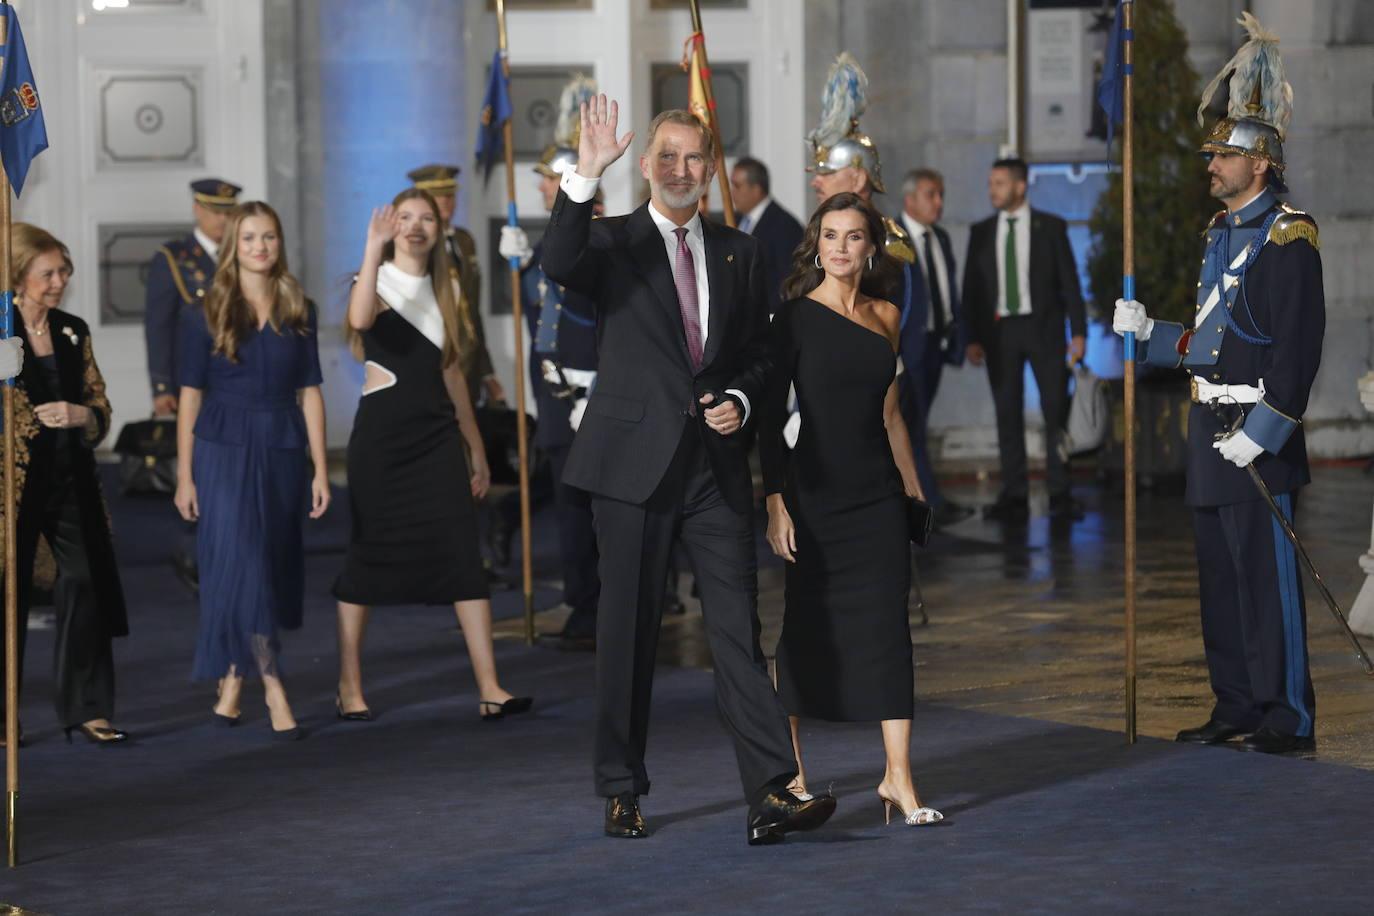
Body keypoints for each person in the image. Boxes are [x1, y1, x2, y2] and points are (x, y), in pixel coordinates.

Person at [541, 94, 837, 845]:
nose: (680, 169)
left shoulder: (740, 251)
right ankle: (620, 787)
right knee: (628, 633)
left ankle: (772, 791)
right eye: (666, 156)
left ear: (712, 171)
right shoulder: (611, 242)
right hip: (630, 468)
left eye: (693, 158)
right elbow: (559, 262)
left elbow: (762, 353)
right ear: (646, 166)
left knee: (737, 631)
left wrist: (739, 394)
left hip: (714, 472)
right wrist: (584, 174)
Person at [1112, 13, 1322, 754]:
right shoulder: (1219, 232)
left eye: (1223, 156)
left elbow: (1294, 355)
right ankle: (1234, 701)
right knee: (1220, 583)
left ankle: (1287, 715)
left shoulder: (1289, 237)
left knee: (1269, 587)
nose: (1211, 165)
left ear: (1259, 163)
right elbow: (1213, 340)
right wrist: (1152, 335)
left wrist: (1263, 434)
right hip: (1209, 432)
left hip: (1256, 437)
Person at [761, 193, 943, 827]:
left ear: (871, 247)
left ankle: (899, 779)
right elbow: (764, 422)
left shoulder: (888, 315)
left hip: (877, 496)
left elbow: (893, 416)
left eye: (854, 236)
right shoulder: (791, 320)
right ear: (818, 244)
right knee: (804, 630)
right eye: (831, 235)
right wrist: (775, 501)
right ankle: (793, 778)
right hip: (814, 493)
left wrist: (914, 492)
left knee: (889, 633)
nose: (841, 247)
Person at [333, 188, 530, 723]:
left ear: (440, 229)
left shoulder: (448, 288)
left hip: (438, 440)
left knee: (464, 554)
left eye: (426, 218)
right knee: (367, 555)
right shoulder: (371, 281)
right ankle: (349, 684)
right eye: (405, 217)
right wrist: (372, 249)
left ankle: (490, 686)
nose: (416, 226)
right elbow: (360, 321)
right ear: (390, 225)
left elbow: (450, 372)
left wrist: (476, 447)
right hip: (383, 443)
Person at [175, 202, 329, 741]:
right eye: (249, 238)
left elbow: (311, 392)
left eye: (268, 237)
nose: (260, 247)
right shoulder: (206, 310)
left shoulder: (298, 307)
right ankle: (272, 683)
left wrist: (320, 468)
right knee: (244, 563)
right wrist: (185, 476)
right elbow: (189, 398)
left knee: (268, 561)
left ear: (279, 243)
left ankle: (235, 676)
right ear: (232, 247)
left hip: (282, 445)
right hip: (222, 447)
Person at [806, 54, 970, 526]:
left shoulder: (886, 244)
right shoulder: (819, 235)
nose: (815, 180)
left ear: (856, 178)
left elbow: (898, 317)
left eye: (826, 171)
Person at [0, 224, 129, 746]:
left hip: (71, 479)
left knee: (85, 582)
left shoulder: (73, 330)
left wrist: (82, 414)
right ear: (17, 275)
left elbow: (100, 405)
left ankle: (88, 707)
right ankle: (4, 718)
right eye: (47, 272)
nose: (59, 281)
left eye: (64, 270)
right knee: (8, 596)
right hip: (9, 487)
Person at [498, 76, 602, 648]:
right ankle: (584, 601)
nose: (539, 189)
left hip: (589, 393)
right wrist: (518, 273)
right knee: (568, 507)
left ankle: (595, 605)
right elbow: (541, 314)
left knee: (588, 509)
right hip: (556, 397)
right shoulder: (550, 241)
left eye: (546, 180)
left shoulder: (588, 236)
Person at [961, 157, 1086, 521]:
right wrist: (971, 336)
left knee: (1054, 411)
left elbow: (1070, 284)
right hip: (999, 333)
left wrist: (1077, 332)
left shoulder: (1050, 227)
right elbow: (970, 290)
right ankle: (1014, 493)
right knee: (1007, 412)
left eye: (999, 183)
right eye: (990, 184)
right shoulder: (981, 231)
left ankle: (1060, 492)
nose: (992, 191)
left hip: (1044, 330)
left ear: (1020, 186)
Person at [144, 177, 241, 590]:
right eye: (216, 211)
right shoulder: (173, 258)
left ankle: (231, 549)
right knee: (195, 465)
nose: (223, 219)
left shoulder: (243, 251)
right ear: (198, 210)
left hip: (236, 379)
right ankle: (195, 551)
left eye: (228, 211)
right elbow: (158, 325)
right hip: (192, 381)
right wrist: (162, 386)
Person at [897, 168, 974, 527]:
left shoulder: (940, 238)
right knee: (911, 423)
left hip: (936, 345)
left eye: (941, 194)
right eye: (931, 194)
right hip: (907, 349)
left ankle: (926, 497)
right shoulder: (893, 239)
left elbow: (948, 292)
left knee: (921, 421)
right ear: (910, 199)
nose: (939, 203)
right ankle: (925, 500)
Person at [406, 164, 504, 406]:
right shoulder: (415, 245)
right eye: (438, 197)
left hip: (468, 360)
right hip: (434, 361)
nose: (446, 202)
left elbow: (472, 311)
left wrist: (486, 371)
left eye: (450, 195)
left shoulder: (464, 240)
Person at [729, 157, 803, 311]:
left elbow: (789, 281)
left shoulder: (785, 226)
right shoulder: (733, 220)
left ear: (756, 189)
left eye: (737, 186)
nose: (732, 192)